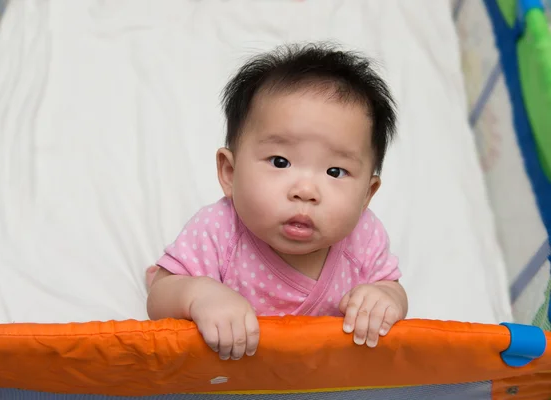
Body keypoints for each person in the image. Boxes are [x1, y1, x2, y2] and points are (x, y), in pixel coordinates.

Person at [146, 42, 408, 361]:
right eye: (280, 162)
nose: (306, 190)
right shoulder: (218, 230)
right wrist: (198, 294)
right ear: (230, 172)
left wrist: (384, 298)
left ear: (367, 194)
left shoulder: (364, 238)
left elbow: (391, 288)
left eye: (335, 171)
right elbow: (159, 296)